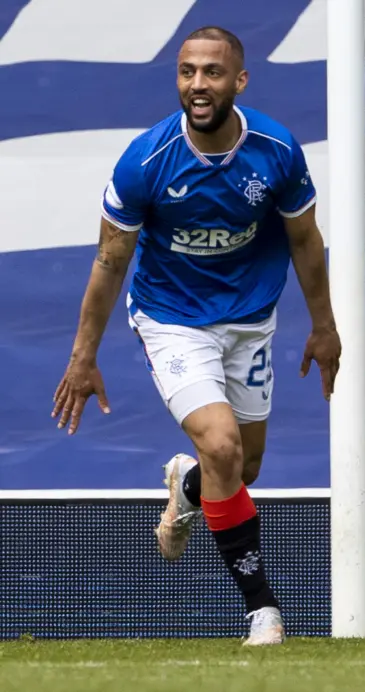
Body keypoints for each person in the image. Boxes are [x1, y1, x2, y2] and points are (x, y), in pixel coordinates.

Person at [51, 26, 341, 646]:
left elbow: (305, 242)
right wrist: (84, 356)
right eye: (187, 72)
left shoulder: (277, 152)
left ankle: (186, 486)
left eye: (212, 73)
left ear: (239, 81)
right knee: (223, 446)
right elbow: (109, 260)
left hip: (250, 321)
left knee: (243, 466)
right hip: (172, 318)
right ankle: (262, 610)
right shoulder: (146, 161)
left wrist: (324, 326)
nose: (197, 86)